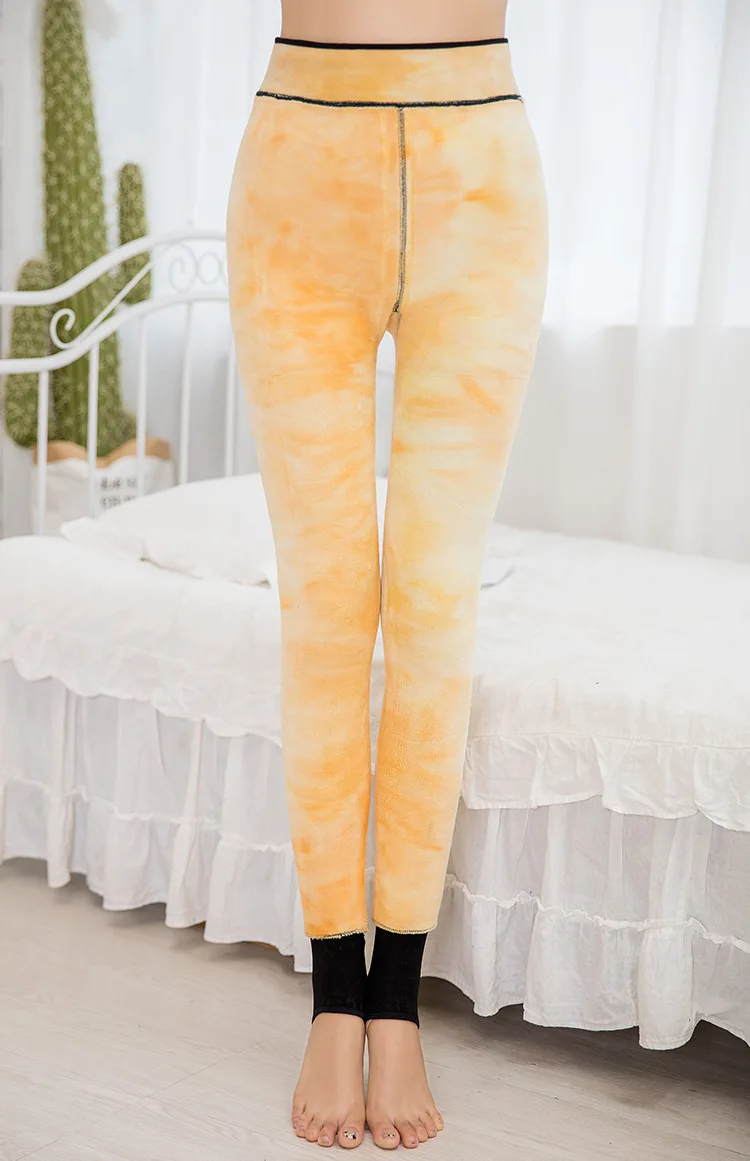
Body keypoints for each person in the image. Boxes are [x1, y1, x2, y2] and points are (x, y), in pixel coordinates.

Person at [226, 0, 547, 1148]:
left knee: (433, 610)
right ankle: (334, 998)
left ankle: (396, 1002)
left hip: (481, 179)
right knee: (323, 611)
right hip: (298, 171)